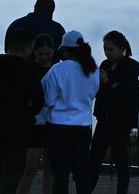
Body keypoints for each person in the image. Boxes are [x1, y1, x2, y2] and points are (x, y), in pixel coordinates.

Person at [0, 28, 44, 194]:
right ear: (26, 48)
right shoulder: (28, 71)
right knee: (11, 177)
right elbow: (38, 102)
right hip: (16, 132)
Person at [42, 30, 99, 194]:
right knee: (81, 174)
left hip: (58, 128)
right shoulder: (93, 70)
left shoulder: (57, 70)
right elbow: (93, 93)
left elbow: (49, 100)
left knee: (61, 174)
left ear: (66, 50)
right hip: (83, 128)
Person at [89, 31, 139, 194]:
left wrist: (108, 81)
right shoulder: (105, 65)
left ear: (121, 48)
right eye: (105, 49)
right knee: (93, 161)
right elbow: (100, 91)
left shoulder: (130, 67)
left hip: (120, 122)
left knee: (121, 164)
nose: (106, 52)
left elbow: (125, 93)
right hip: (104, 119)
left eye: (110, 49)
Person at [17, 34, 56, 194]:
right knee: (30, 166)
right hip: (35, 122)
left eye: (48, 54)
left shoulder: (53, 69)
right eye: (41, 54)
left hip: (50, 122)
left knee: (50, 168)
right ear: (34, 52)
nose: (45, 57)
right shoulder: (30, 69)